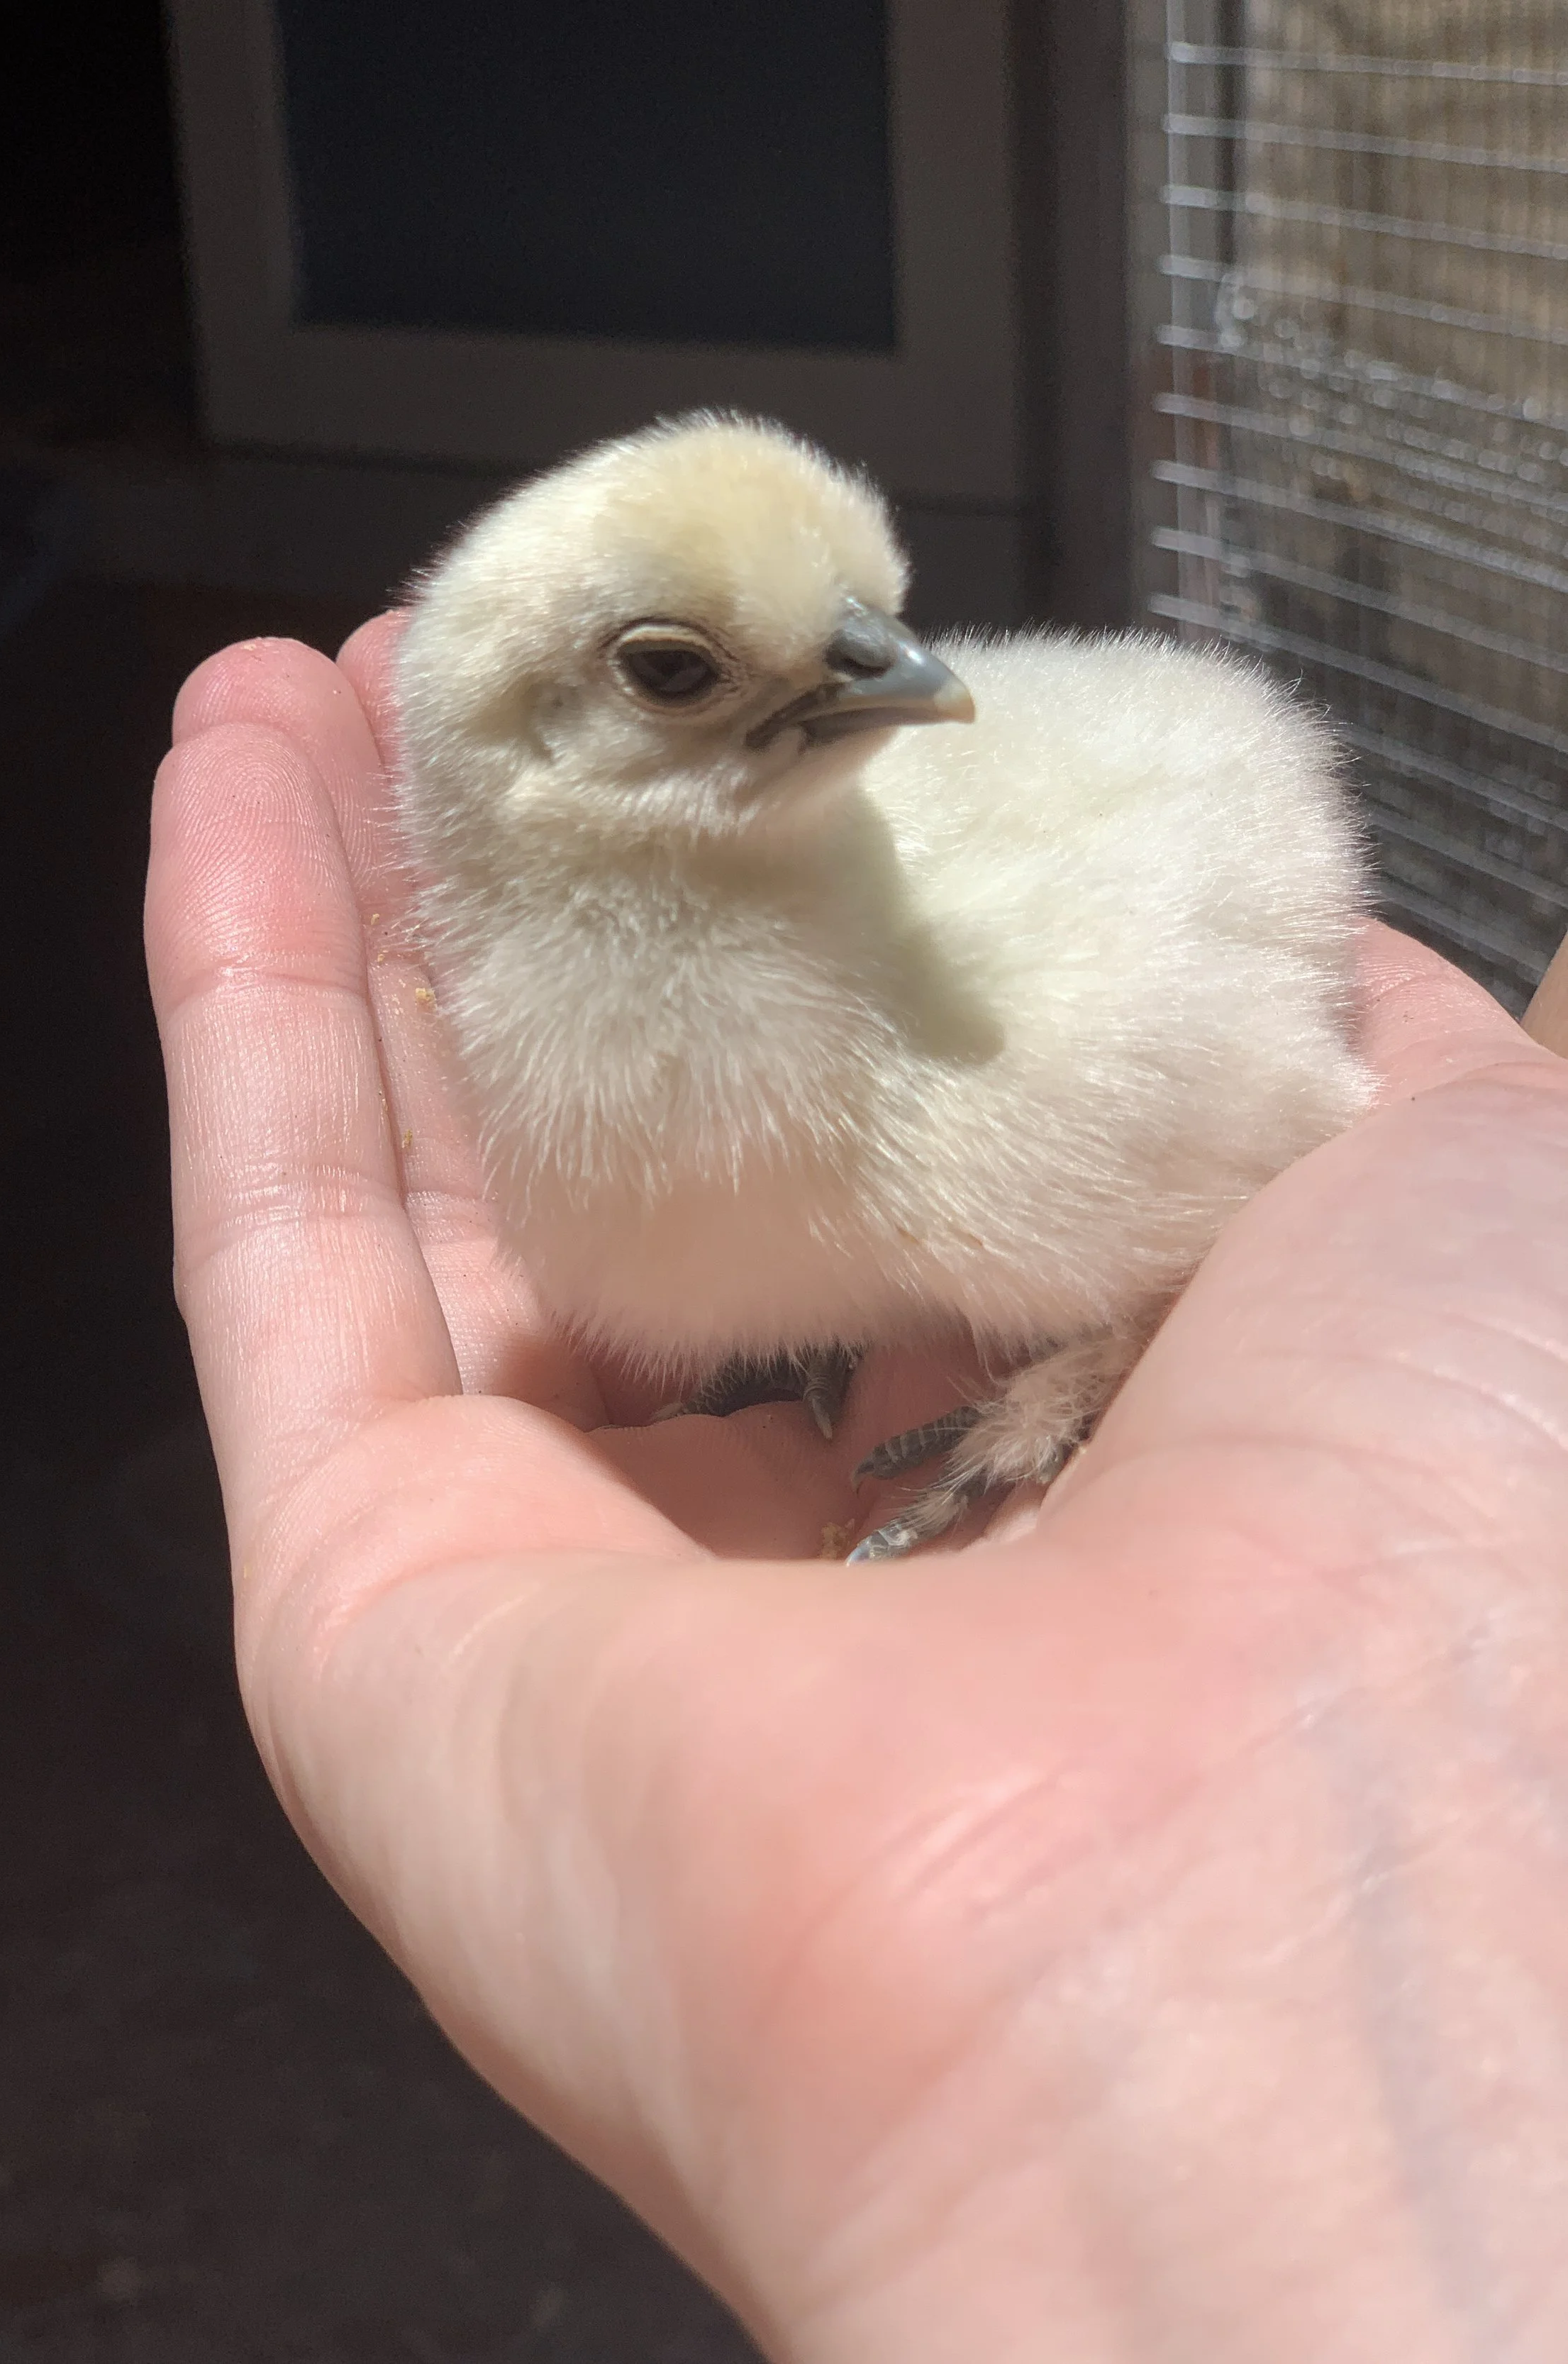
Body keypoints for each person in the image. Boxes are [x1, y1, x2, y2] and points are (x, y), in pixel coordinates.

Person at [147, 616, 1568, 2360]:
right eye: (680, 669)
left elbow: (1270, 1079)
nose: (896, 671)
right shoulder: (610, 1027)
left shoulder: (1021, 1103)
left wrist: (1116, 1345)